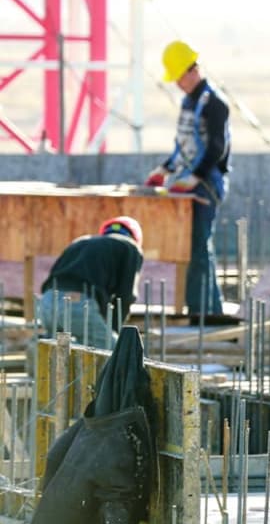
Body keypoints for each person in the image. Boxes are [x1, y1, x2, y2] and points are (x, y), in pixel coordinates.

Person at [145, 40, 230, 319]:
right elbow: (183, 147)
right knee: (192, 249)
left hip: (207, 185)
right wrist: (165, 170)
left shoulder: (214, 104)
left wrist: (195, 177)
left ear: (192, 70)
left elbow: (218, 148)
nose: (178, 84)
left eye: (179, 77)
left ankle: (208, 313)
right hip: (189, 183)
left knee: (199, 248)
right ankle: (200, 309)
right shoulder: (188, 102)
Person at [36, 216, 144, 347]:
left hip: (46, 303)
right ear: (135, 237)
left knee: (56, 352)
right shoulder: (129, 246)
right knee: (115, 353)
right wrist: (113, 329)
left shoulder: (80, 241)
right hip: (77, 304)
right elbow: (126, 295)